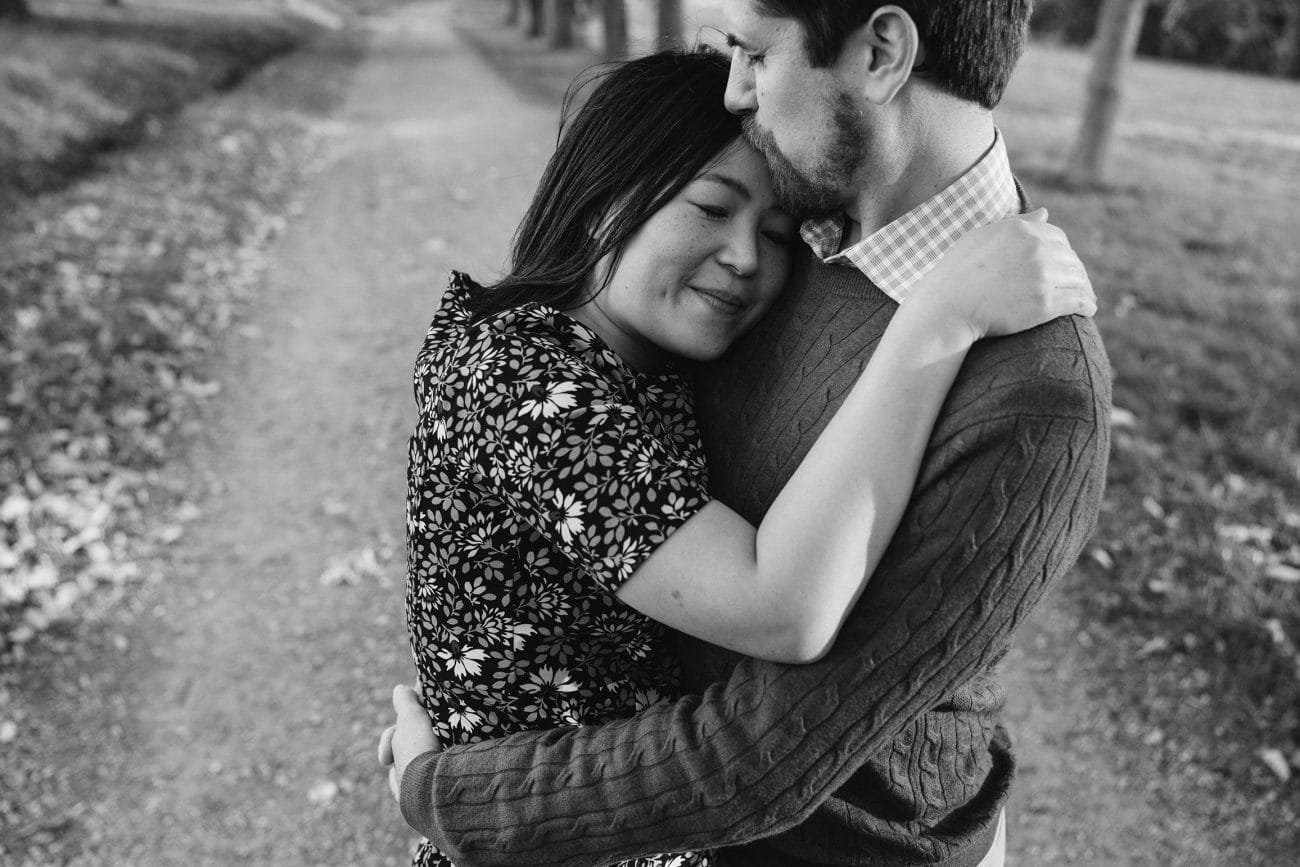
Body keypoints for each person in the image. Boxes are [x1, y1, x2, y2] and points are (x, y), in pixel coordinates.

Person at [384, 4, 1110, 862]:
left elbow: (758, 749)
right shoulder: (799, 239)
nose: (734, 90)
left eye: (756, 52)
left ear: (882, 53)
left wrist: (447, 792)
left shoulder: (1036, 395)